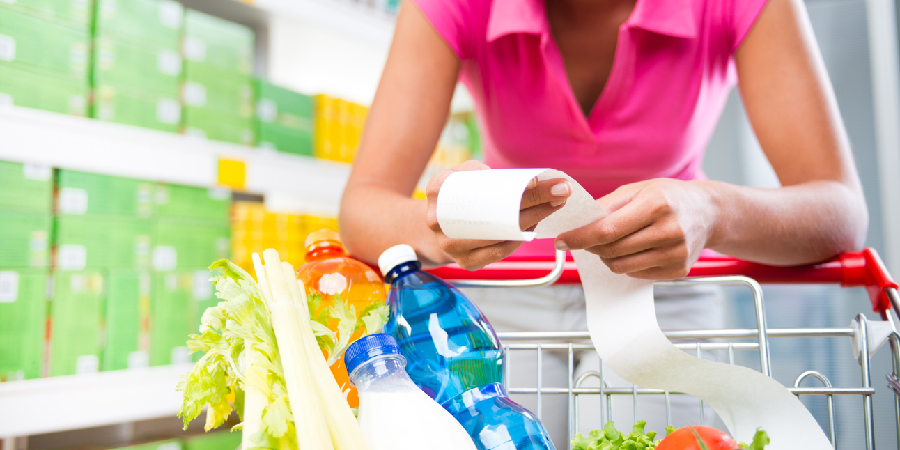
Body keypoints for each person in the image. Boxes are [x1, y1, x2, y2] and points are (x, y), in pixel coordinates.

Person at [339, 0, 868, 444]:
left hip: (666, 295)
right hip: (505, 293)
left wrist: (711, 211)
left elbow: (840, 209)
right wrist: (442, 224)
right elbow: (361, 210)